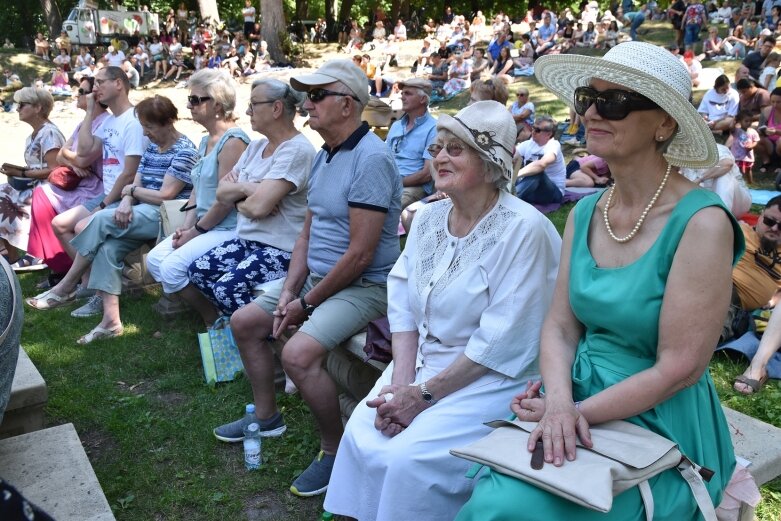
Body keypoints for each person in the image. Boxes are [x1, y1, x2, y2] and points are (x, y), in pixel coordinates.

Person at [457, 41, 742, 521]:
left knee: (510, 506)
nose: (591, 111)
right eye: (588, 97)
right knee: (496, 496)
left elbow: (679, 369)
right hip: (579, 389)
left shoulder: (702, 222)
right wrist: (560, 399)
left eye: (614, 102)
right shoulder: (588, 210)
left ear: (665, 124)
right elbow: (561, 326)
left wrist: (570, 414)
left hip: (658, 414)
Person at [324, 100, 562, 521]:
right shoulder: (431, 217)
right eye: (437, 148)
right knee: (364, 433)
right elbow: (401, 300)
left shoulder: (525, 230)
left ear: (490, 163)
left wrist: (422, 396)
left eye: (456, 149)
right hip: (418, 362)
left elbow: (503, 338)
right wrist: (400, 385)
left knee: (408, 459)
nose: (439, 157)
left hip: (491, 375)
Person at [212, 60, 402, 498]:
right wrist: (292, 289)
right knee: (246, 322)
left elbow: (360, 255)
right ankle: (266, 417)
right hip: (321, 277)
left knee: (297, 354)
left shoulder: (371, 159)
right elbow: (307, 233)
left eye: (317, 96)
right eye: (306, 95)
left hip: (366, 285)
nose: (306, 104)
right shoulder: (325, 154)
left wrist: (306, 302)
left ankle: (335, 453)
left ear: (347, 104)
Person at [26, 96, 199, 344]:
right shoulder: (152, 146)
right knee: (108, 248)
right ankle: (111, 322)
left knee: (99, 220)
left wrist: (131, 194)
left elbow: (165, 195)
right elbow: (135, 182)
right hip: (140, 209)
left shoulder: (184, 151)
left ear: (169, 122)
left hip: (165, 216)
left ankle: (66, 286)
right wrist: (128, 200)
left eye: (150, 127)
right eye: (144, 127)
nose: (146, 133)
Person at [185, 79, 314, 325]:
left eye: (253, 105)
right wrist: (248, 190)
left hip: (281, 249)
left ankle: (266, 337)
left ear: (276, 109)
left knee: (225, 288)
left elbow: (257, 207)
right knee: (198, 271)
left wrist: (241, 188)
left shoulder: (295, 150)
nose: (247, 112)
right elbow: (222, 193)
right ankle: (239, 330)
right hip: (248, 240)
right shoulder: (256, 147)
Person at [39, 66, 146, 317]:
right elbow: (85, 152)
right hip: (108, 193)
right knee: (60, 223)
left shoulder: (133, 121)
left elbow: (130, 173)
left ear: (119, 83)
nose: (94, 88)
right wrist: (89, 110)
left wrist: (103, 204)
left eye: (100, 82)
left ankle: (90, 291)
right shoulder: (109, 120)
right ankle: (88, 286)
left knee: (81, 226)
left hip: (125, 196)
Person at [146, 69, 249, 316]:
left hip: (229, 227)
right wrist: (186, 226)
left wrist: (195, 232)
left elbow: (226, 201)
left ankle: (212, 319)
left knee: (170, 269)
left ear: (217, 103)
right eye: (190, 99)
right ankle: (214, 307)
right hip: (206, 225)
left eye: (196, 100)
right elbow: (197, 190)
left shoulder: (233, 141)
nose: (189, 106)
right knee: (154, 260)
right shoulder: (206, 140)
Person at [27, 77, 108, 287]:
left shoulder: (104, 123)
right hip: (82, 181)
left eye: (82, 91)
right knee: (41, 193)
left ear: (95, 97)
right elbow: (63, 155)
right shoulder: (83, 123)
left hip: (96, 185)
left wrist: (74, 159)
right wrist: (74, 161)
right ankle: (63, 266)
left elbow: (80, 157)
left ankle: (69, 269)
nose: (77, 95)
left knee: (42, 194)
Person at [0, 88, 65, 270]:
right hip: (33, 185)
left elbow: (55, 169)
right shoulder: (34, 135)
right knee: (2, 191)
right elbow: (37, 167)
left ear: (38, 108)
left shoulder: (49, 133)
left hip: (47, 190)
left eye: (22, 104)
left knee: (2, 196)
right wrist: (17, 170)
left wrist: (22, 174)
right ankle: (7, 253)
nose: (17, 108)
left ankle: (19, 254)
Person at [386, 78, 437, 209]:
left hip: (413, 187)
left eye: (408, 94)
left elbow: (427, 174)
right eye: (402, 93)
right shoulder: (396, 125)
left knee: (385, 207)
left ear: (423, 100)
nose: (402, 97)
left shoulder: (434, 128)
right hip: (387, 182)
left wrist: (395, 183)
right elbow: (382, 158)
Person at [514, 115, 567, 205]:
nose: (533, 132)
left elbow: (541, 165)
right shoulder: (528, 144)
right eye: (533, 128)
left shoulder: (553, 146)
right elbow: (513, 158)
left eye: (537, 130)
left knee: (538, 172)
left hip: (552, 194)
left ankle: (511, 200)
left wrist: (516, 174)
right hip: (532, 190)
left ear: (549, 134)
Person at [756, 87, 781, 171]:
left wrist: (776, 132)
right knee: (755, 139)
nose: (775, 105)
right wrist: (761, 131)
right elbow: (760, 127)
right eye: (773, 102)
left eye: (778, 102)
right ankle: (766, 161)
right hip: (769, 142)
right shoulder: (767, 111)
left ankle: (779, 164)